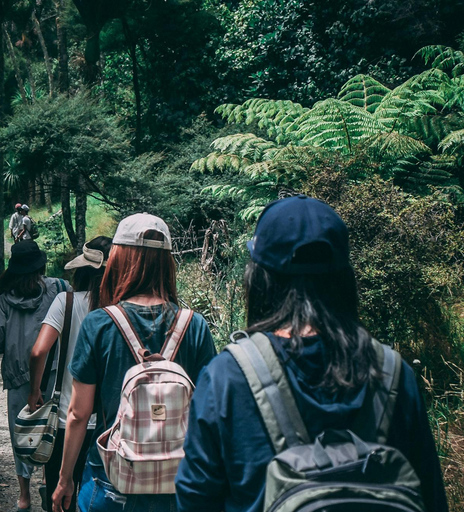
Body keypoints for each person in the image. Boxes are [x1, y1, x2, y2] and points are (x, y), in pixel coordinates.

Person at [175, 195, 449, 512]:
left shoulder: (228, 376)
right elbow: (431, 498)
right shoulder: (394, 374)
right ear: (344, 279)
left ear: (260, 278)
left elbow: (195, 499)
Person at [52, 213, 217, 512]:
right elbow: (210, 410)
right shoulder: (194, 326)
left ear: (119, 259)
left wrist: (64, 479)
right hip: (180, 480)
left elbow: (78, 413)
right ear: (167, 263)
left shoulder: (99, 324)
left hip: (112, 479)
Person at [28, 236, 114, 512]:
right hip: (109, 423)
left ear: (81, 270)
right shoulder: (120, 307)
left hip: (67, 419)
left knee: (60, 495)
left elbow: (39, 351)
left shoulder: (65, 302)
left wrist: (35, 391)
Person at [0, 240, 72, 511]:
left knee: (22, 435)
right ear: (40, 265)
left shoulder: (4, 300)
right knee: (54, 432)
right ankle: (50, 486)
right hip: (55, 375)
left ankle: (24, 498)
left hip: (17, 379)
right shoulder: (59, 289)